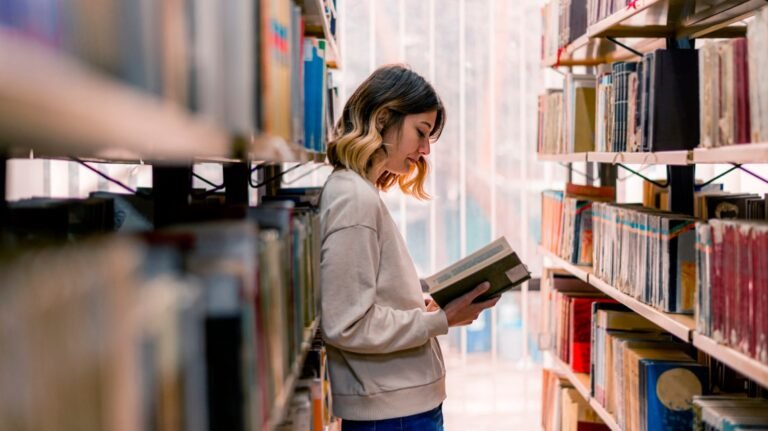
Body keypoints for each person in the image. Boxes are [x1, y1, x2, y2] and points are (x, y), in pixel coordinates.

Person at [319, 64, 500, 430]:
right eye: (421, 132)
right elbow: (348, 323)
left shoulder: (359, 192)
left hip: (399, 407)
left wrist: (418, 301)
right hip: (393, 414)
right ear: (383, 118)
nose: (425, 150)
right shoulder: (354, 199)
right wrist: (439, 319)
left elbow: (366, 297)